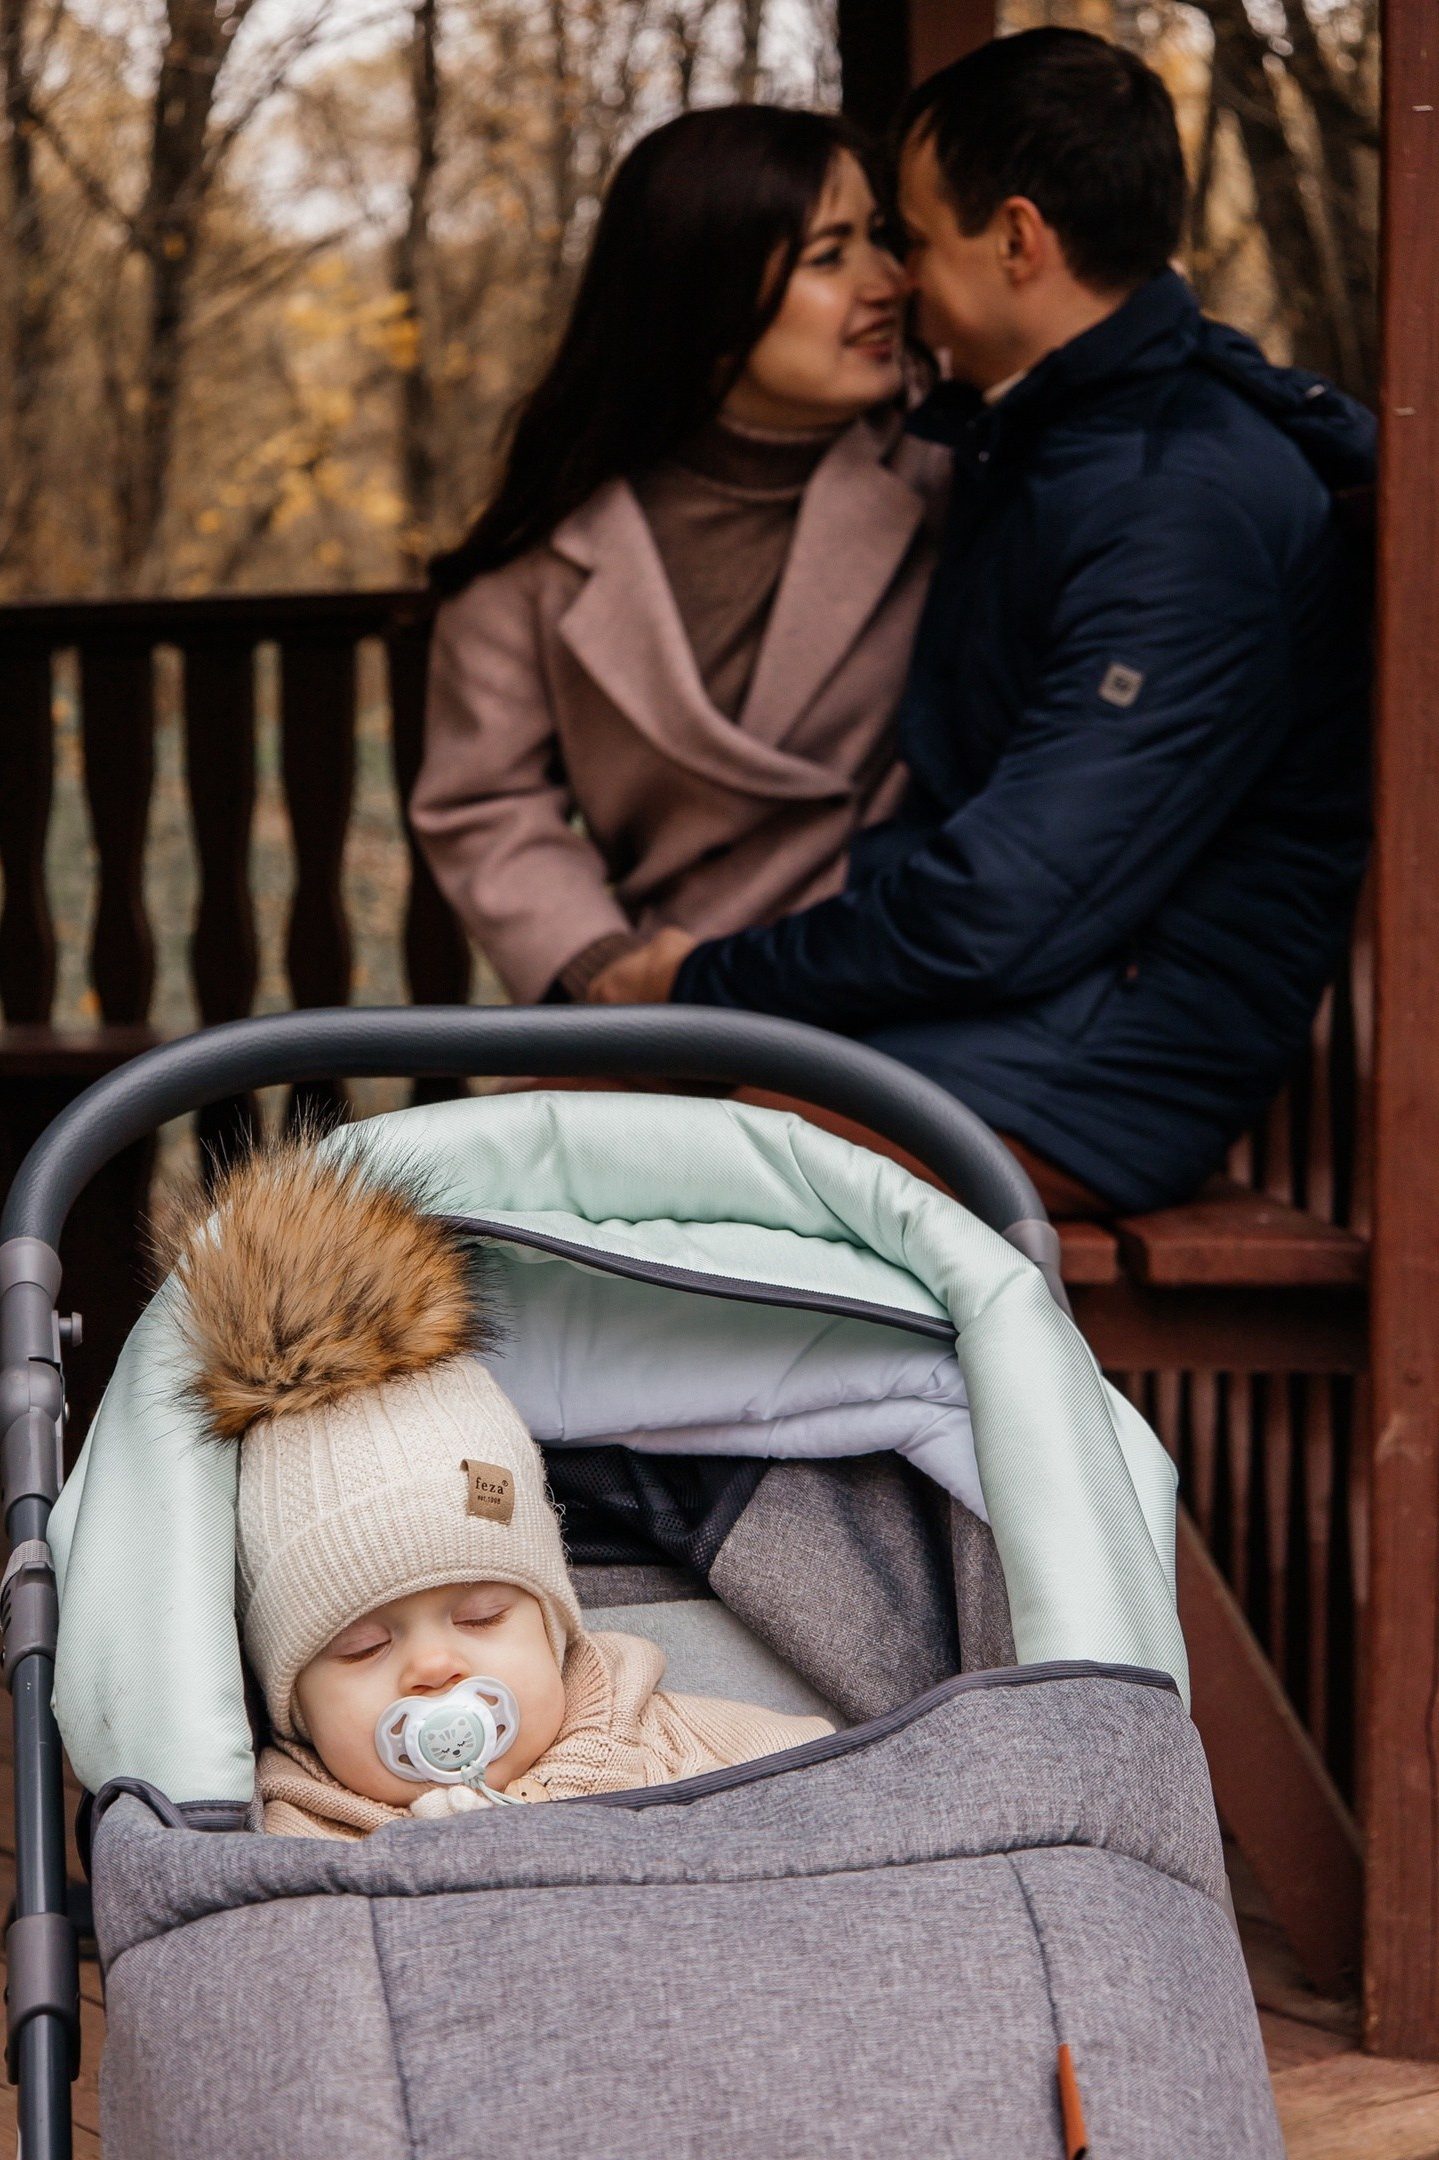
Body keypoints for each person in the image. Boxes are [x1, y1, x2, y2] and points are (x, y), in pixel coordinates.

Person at [599, 30, 1374, 1218]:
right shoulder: (1058, 437)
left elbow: (1005, 902)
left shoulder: (1179, 506)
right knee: (550, 1119)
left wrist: (704, 980)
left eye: (908, 237)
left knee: (646, 1180)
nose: (894, 276)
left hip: (1088, 1074)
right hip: (997, 1029)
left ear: (1015, 239)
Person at [410, 104, 949, 1009]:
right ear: (706, 294)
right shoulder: (545, 547)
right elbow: (484, 799)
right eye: (830, 254)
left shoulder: (957, 461)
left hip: (898, 981)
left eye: (881, 238)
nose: (887, 281)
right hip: (672, 1002)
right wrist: (602, 967)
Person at [167, 1137, 830, 1840]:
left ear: (553, 1632)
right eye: (362, 1647)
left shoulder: (673, 1742)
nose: (433, 1667)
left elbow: (846, 1791)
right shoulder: (297, 1836)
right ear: (292, 1705)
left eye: (482, 1616)